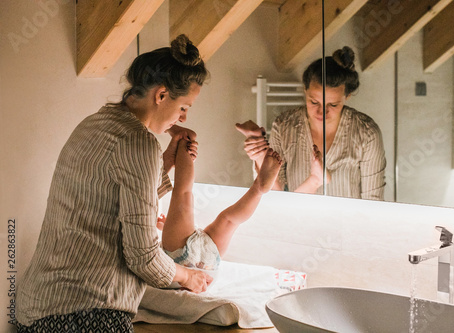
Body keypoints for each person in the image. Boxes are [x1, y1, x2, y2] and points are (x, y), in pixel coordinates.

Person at [16, 35, 212, 332]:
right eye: (184, 106)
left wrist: (165, 162)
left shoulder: (95, 122)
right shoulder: (139, 142)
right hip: (83, 314)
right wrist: (187, 276)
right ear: (161, 96)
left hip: (37, 306)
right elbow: (144, 258)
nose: (182, 117)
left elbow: (109, 193)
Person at [236, 46, 386, 200]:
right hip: (298, 221)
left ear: (347, 96)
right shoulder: (284, 126)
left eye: (333, 105)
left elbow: (373, 201)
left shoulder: (367, 134)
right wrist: (260, 155)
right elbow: (273, 194)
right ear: (305, 91)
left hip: (347, 223)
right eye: (314, 102)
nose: (321, 112)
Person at [157, 140, 282, 274]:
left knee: (227, 218)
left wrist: (165, 227)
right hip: (199, 261)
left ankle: (258, 189)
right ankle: (258, 189)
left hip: (201, 269)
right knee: (225, 217)